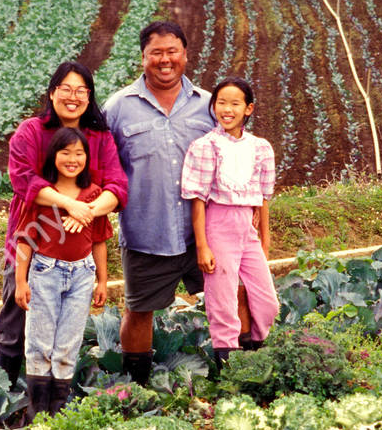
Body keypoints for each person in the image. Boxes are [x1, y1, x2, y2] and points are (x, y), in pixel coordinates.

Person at [0, 61, 128, 387]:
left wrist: (89, 211)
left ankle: (49, 403)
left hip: (79, 251)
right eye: (65, 89)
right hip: (32, 239)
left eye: (81, 91)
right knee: (15, 319)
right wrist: (70, 204)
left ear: (90, 96)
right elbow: (23, 180)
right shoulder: (31, 132)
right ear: (52, 92)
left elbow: (117, 186)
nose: (73, 97)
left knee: (65, 332)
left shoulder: (100, 138)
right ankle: (3, 395)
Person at [102, 21, 215, 386]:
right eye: (157, 53)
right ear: (143, 58)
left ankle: (235, 371)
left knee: (229, 300)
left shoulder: (209, 105)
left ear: (185, 55)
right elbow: (105, 169)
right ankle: (138, 385)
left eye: (172, 52)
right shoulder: (118, 108)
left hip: (205, 234)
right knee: (138, 311)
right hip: (146, 232)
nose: (165, 60)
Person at [181, 77, 278, 369]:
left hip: (246, 229)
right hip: (217, 227)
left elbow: (263, 199)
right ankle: (230, 369)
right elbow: (196, 199)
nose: (227, 109)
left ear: (248, 109)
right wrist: (202, 246)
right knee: (222, 303)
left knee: (267, 302)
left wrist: (265, 238)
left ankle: (255, 355)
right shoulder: (205, 146)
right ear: (213, 107)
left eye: (235, 103)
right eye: (221, 102)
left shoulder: (260, 148)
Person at [13, 128, 112, 415]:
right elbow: (25, 241)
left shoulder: (94, 195)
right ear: (53, 156)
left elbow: (99, 241)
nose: (72, 159)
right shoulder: (45, 195)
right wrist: (21, 281)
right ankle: (36, 413)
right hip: (45, 272)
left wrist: (102, 281)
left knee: (68, 344)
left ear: (87, 158)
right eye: (65, 152)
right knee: (39, 343)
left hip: (83, 275)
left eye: (79, 153)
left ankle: (58, 413)